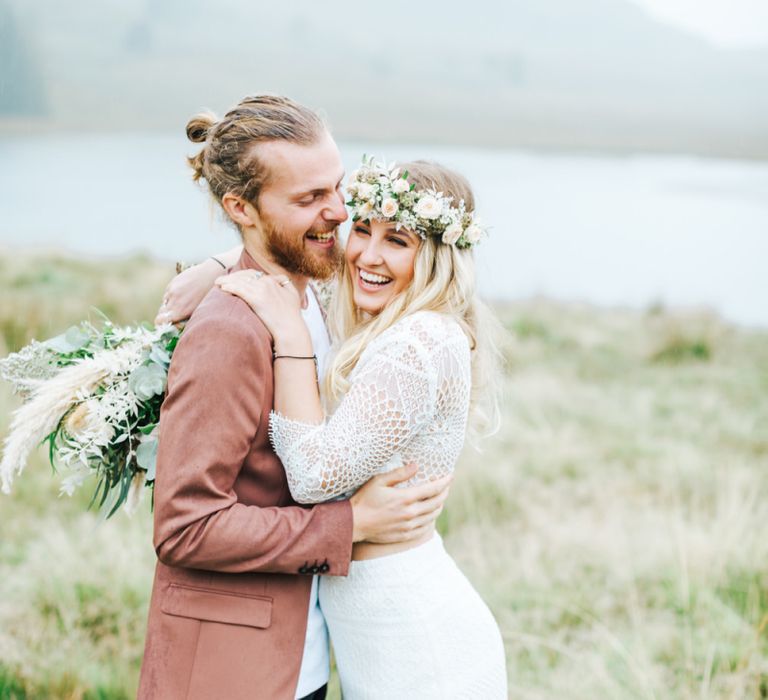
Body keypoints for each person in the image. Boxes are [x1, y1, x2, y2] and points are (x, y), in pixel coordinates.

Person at [138, 95, 452, 700]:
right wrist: (351, 524)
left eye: (335, 187)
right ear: (241, 208)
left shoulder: (324, 296)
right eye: (309, 199)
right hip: (229, 674)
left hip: (302, 655)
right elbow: (184, 527)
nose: (337, 213)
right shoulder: (229, 332)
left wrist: (222, 258)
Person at [210, 157, 509, 698]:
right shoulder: (386, 322)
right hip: (377, 629)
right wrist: (205, 274)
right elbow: (284, 255)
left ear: (439, 258)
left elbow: (314, 477)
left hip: (418, 641)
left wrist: (292, 340)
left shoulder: (420, 342)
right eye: (363, 230)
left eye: (397, 240)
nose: (367, 256)